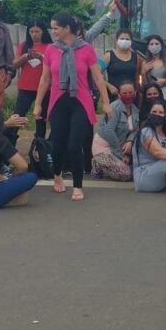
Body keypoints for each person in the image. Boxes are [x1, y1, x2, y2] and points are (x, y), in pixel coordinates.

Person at [35, 13, 110, 201]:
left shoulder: (86, 49)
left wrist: (106, 102)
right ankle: (57, 175)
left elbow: (98, 77)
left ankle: (77, 186)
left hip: (81, 101)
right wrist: (37, 104)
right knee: (59, 143)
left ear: (67, 29)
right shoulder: (51, 50)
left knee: (75, 144)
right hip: (58, 100)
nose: (53, 32)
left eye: (55, 28)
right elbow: (45, 79)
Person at [12, 19, 52, 141]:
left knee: (41, 119)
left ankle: (39, 146)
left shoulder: (50, 46)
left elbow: (54, 66)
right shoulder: (24, 45)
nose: (34, 34)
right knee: (18, 115)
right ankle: (11, 139)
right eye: (32, 31)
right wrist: (24, 57)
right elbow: (14, 65)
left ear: (43, 32)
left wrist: (42, 58)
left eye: (37, 31)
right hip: (26, 87)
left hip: (45, 88)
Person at [91, 79, 138, 181]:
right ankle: (97, 163)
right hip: (104, 145)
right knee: (125, 175)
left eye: (130, 92)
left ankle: (109, 165)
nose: (128, 95)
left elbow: (135, 130)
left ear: (135, 92)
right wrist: (121, 155)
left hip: (120, 146)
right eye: (124, 93)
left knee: (134, 173)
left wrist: (130, 140)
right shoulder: (114, 107)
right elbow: (109, 131)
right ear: (119, 94)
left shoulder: (135, 110)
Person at [141, 34, 166, 129]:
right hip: (152, 94)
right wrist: (143, 73)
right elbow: (143, 85)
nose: (154, 46)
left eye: (156, 43)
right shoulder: (145, 63)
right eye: (151, 44)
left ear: (161, 45)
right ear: (148, 47)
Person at [103, 29, 142, 100]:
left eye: (127, 39)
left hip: (132, 95)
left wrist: (137, 91)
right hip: (114, 94)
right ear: (116, 40)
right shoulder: (108, 56)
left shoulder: (136, 56)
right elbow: (97, 74)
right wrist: (109, 86)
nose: (124, 41)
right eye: (122, 38)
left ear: (131, 41)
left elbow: (137, 77)